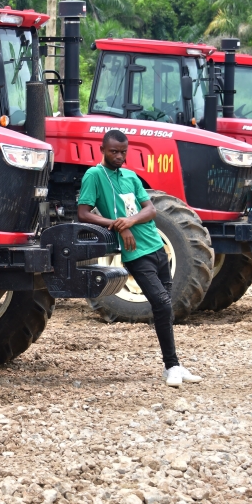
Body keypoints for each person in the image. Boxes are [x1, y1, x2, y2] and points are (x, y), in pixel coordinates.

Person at [78, 130, 202, 387]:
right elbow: (84, 213)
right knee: (162, 304)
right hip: (136, 254)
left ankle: (173, 365)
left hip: (157, 247)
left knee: (166, 309)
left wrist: (129, 221)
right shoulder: (94, 176)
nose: (119, 156)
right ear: (102, 149)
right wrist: (117, 225)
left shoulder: (131, 176)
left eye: (123, 151)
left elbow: (151, 209)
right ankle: (171, 365)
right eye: (114, 151)